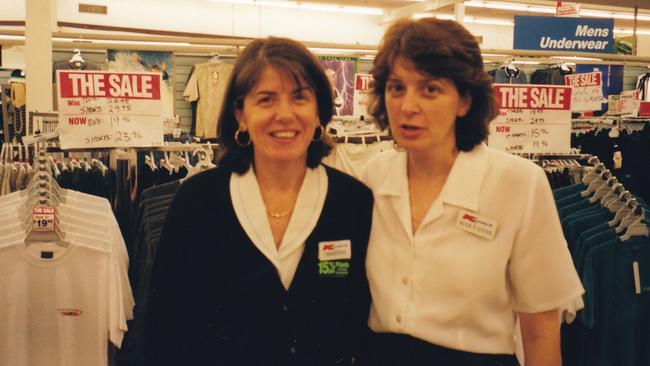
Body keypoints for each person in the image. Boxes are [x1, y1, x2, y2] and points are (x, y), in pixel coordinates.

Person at [361, 18, 584, 366]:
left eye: (430, 89)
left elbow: (541, 331)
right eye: (396, 88)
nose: (408, 106)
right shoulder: (373, 177)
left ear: (464, 101)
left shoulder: (519, 184)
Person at [144, 37, 373, 366]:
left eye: (299, 97)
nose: (284, 114)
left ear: (320, 111)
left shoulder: (353, 202)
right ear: (241, 114)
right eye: (266, 100)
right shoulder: (199, 202)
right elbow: (164, 327)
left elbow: (363, 324)